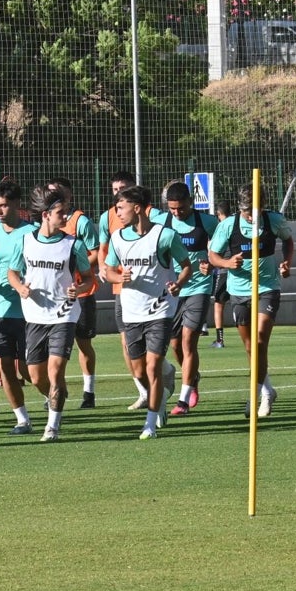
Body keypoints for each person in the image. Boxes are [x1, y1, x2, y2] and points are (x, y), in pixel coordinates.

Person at [103, 186, 192, 439]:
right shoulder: (118, 238)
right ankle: (163, 390)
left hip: (160, 310)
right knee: (139, 371)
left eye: (121, 207)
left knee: (151, 367)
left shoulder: (164, 236)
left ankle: (149, 424)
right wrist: (119, 276)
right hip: (131, 312)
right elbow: (108, 271)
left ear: (138, 208)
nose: (117, 212)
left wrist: (179, 283)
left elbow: (186, 266)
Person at [8, 184, 93, 442]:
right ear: (45, 215)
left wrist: (78, 289)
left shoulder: (73, 245)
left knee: (56, 372)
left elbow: (89, 279)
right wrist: (20, 287)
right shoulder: (25, 241)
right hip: (34, 316)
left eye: (65, 212)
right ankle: (55, 399)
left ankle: (52, 426)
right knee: (35, 376)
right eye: (60, 213)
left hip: (64, 316)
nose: (65, 217)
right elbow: (12, 272)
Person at [208, 183, 294, 418]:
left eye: (254, 211)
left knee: (259, 341)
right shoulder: (228, 226)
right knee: (250, 348)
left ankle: (256, 397)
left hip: (267, 288)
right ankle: (268, 390)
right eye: (247, 212)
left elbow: (288, 241)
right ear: (240, 208)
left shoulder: (273, 221)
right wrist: (226, 263)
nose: (250, 216)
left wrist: (287, 263)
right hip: (239, 291)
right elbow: (213, 256)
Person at [99, 171, 174, 411]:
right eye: (114, 190)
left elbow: (170, 246)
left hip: (158, 300)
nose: (117, 200)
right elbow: (105, 253)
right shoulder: (110, 222)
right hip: (126, 294)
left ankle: (155, 400)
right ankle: (147, 389)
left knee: (153, 362)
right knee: (130, 349)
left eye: (122, 190)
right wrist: (112, 274)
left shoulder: (160, 222)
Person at [155, 181, 219, 416]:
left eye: (180, 208)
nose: (176, 212)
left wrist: (211, 263)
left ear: (190, 203)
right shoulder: (162, 222)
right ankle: (193, 377)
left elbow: (222, 249)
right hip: (172, 290)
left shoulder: (207, 222)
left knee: (188, 340)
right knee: (174, 345)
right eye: (172, 208)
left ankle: (182, 401)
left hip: (199, 288)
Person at [0, 180, 37, 434]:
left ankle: (52, 399)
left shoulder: (33, 232)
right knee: (4, 366)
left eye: (3, 205)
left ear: (17, 204)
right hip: (0, 308)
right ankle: (22, 419)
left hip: (29, 309)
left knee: (30, 369)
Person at [46, 177, 100, 409]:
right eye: (50, 193)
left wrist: (74, 268)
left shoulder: (80, 221)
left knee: (83, 343)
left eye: (58, 193)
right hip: (54, 297)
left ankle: (89, 392)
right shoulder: (43, 223)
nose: (54, 196)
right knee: (54, 349)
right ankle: (56, 391)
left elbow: (95, 254)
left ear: (69, 196)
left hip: (80, 293)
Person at [210, 200, 232, 349]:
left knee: (218, 304)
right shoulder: (238, 222)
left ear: (218, 214)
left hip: (225, 269)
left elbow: (216, 250)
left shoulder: (221, 226)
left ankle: (219, 340)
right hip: (241, 269)